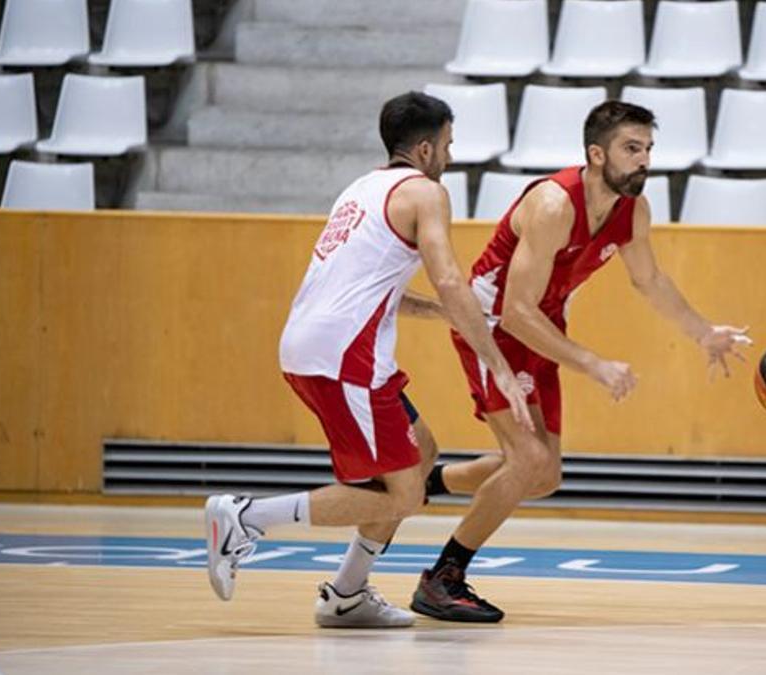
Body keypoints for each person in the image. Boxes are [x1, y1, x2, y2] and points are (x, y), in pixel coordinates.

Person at [203, 92, 533, 629]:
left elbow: (380, 288)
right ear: (425, 149)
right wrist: (496, 364)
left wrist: (445, 316)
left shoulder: (361, 189)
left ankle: (347, 595)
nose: (450, 156)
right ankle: (245, 517)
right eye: (448, 145)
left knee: (421, 454)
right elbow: (450, 278)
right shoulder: (425, 193)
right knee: (403, 494)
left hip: (326, 347)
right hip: (341, 356)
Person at [414, 101, 751, 623]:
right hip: (492, 325)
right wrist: (593, 364)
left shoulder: (632, 211)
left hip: (541, 325)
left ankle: (427, 483)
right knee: (525, 461)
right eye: (631, 149)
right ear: (597, 154)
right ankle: (443, 578)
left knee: (543, 475)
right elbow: (517, 311)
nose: (644, 160)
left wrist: (704, 333)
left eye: (648, 150)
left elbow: (651, 281)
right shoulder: (553, 204)